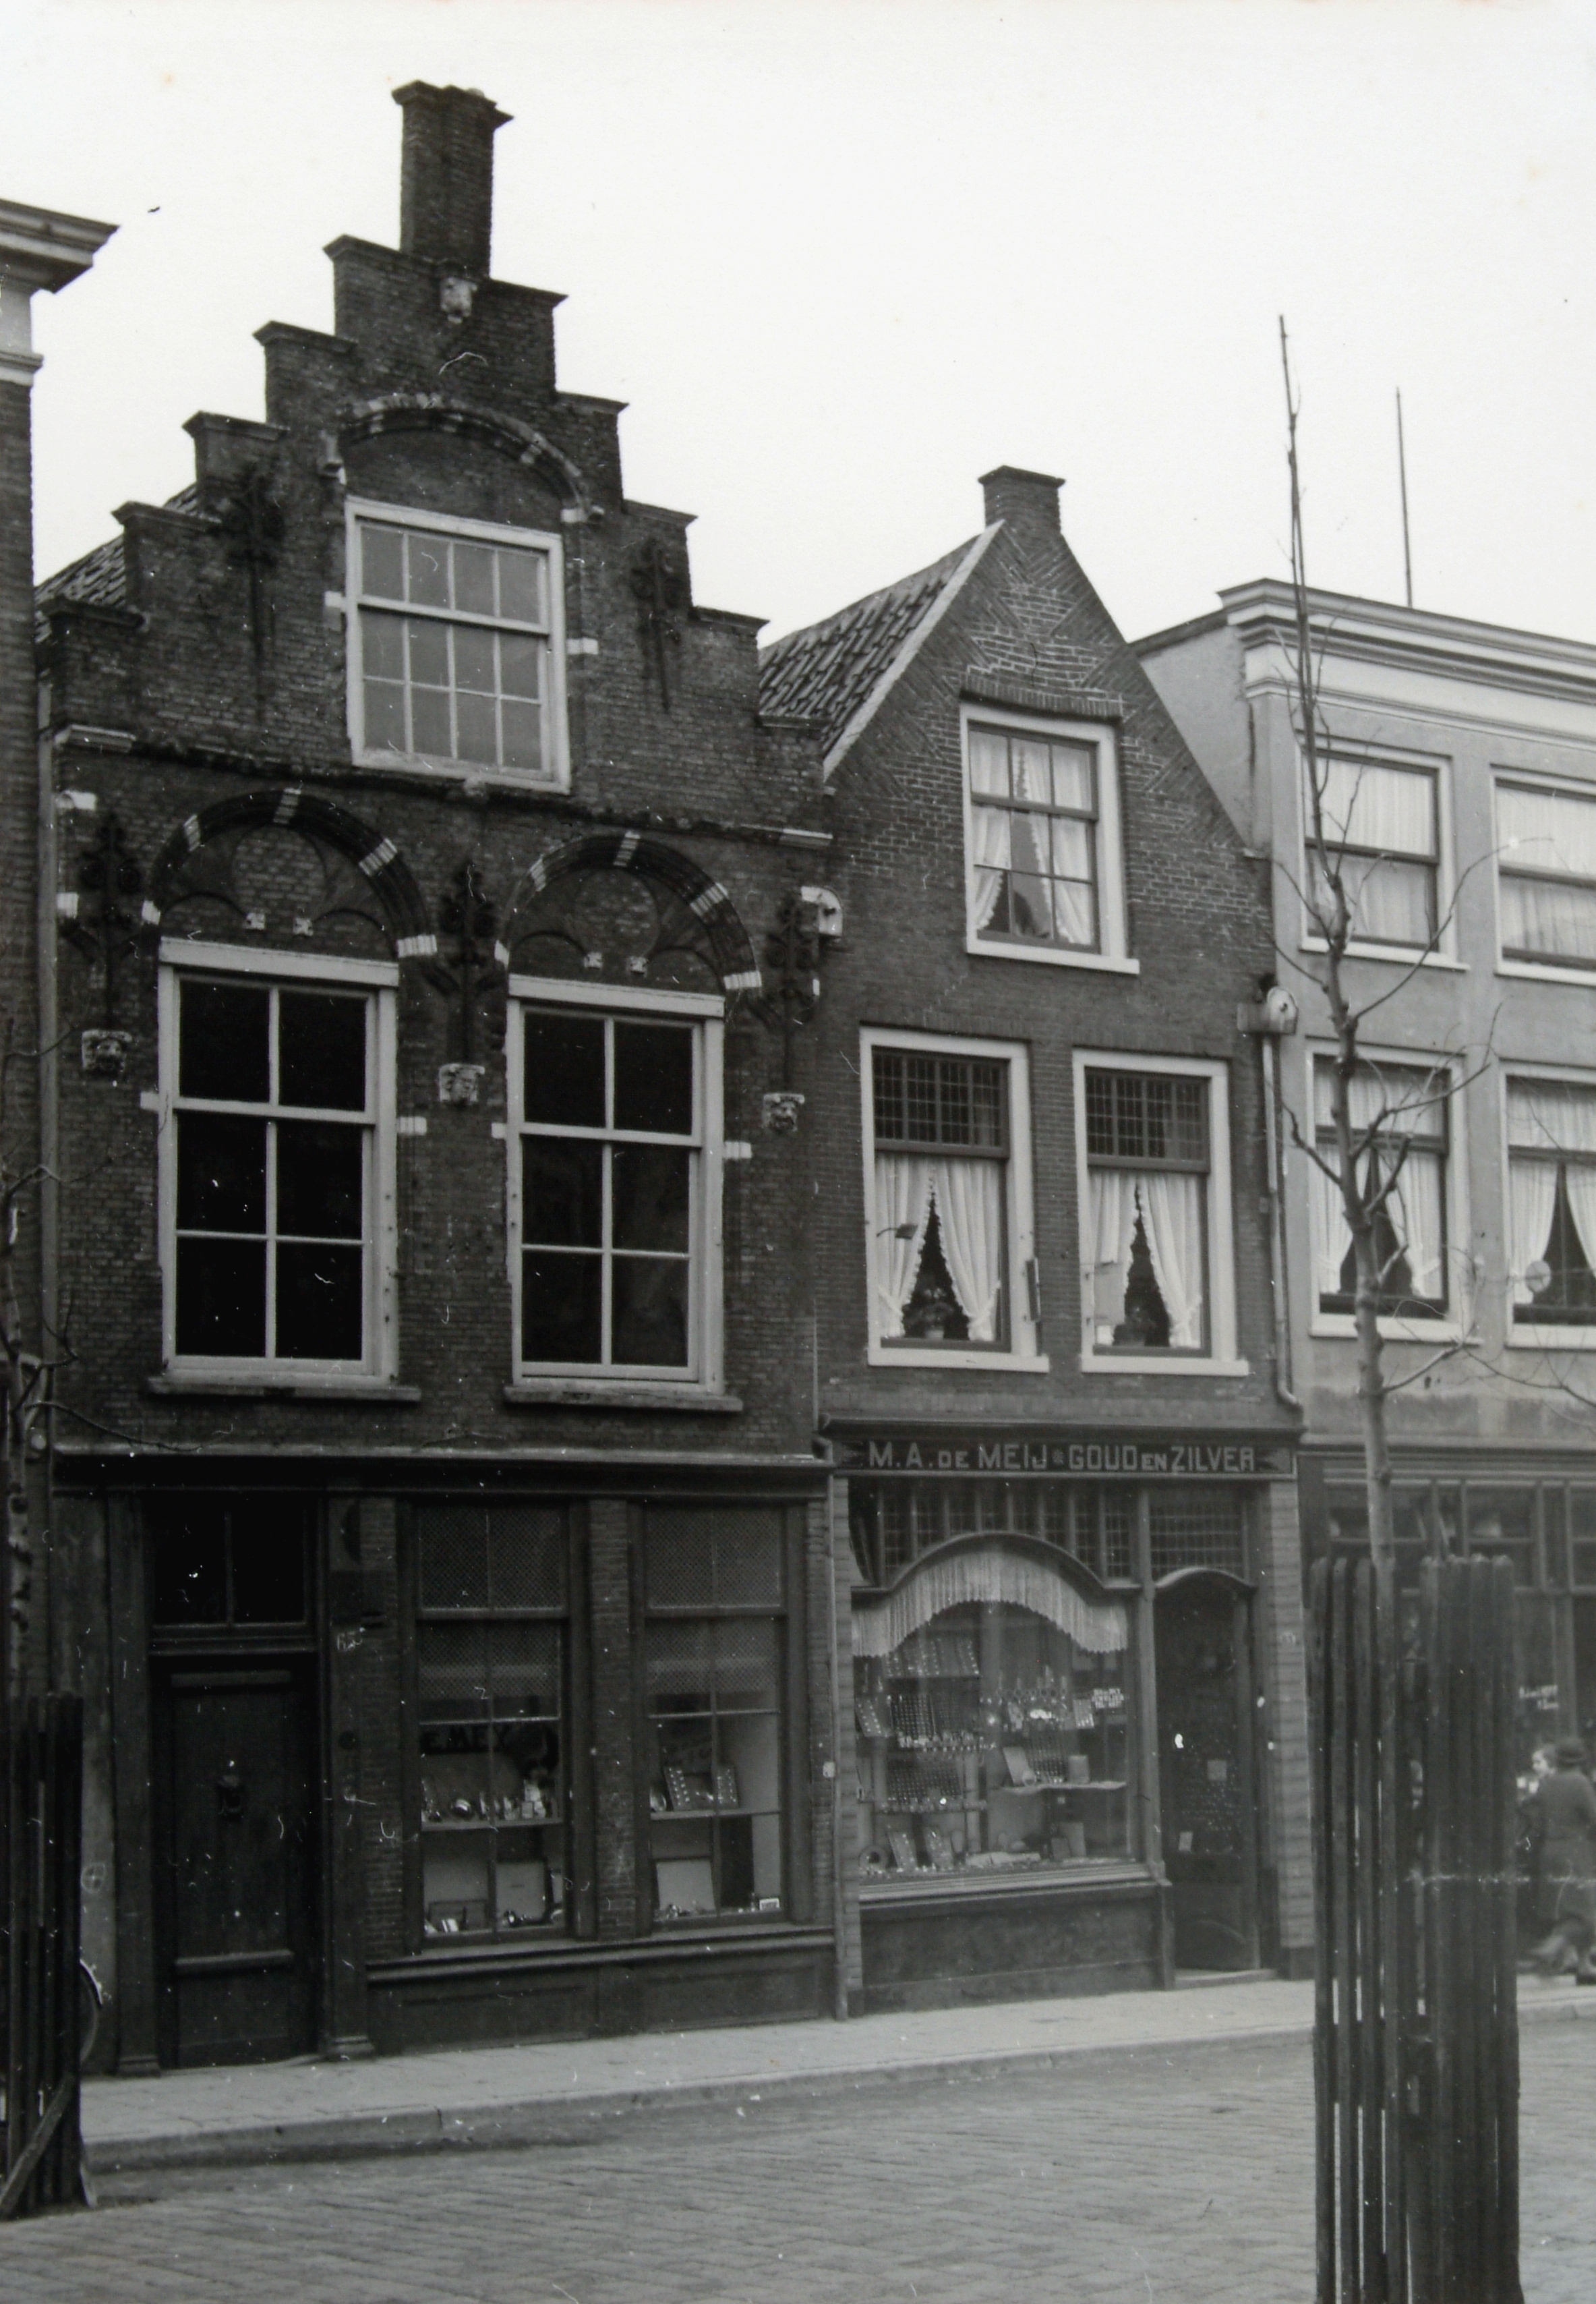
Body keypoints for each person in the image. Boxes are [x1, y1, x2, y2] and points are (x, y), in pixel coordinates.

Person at [1530, 1737, 1596, 1983]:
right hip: (1575, 1852)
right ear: (1580, 1761)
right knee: (1584, 1912)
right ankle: (1550, 1948)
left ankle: (1584, 1966)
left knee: (1569, 1908)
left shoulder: (1547, 1784)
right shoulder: (1580, 1782)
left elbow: (1537, 1823)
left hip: (1550, 1850)